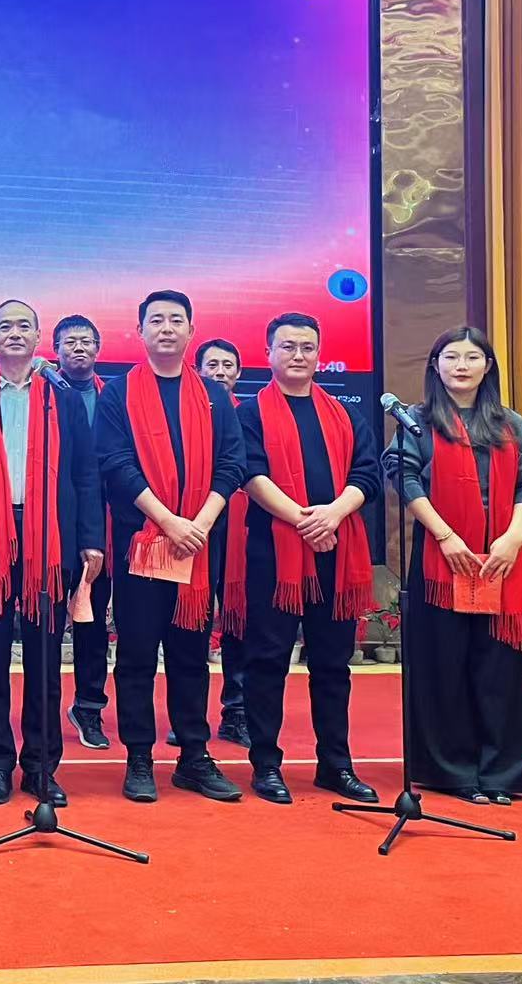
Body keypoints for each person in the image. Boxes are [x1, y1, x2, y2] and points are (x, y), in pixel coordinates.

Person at [0, 301, 103, 806]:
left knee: (44, 661)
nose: (15, 333)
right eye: (5, 326)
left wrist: (90, 539)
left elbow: (86, 474)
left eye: (24, 326)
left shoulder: (62, 399)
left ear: (38, 338)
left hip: (48, 538)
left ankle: (40, 767)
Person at [384, 326, 522, 805]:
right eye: (451, 357)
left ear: (487, 366)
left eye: (472, 357)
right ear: (435, 366)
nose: (461, 365)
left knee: (499, 669)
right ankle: (451, 772)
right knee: (443, 666)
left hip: (501, 559)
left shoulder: (511, 423)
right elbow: (402, 476)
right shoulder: (417, 420)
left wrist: (513, 538)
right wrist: (446, 536)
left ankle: (499, 774)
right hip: (441, 558)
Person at [95, 292, 245, 803]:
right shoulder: (118, 394)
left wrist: (198, 523)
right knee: (137, 653)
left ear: (190, 331)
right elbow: (115, 463)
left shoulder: (214, 396)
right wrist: (167, 520)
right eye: (155, 320)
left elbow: (232, 463)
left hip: (197, 545)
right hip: (142, 543)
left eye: (175, 320)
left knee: (191, 655)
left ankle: (193, 758)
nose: (166, 328)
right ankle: (139, 757)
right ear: (139, 331)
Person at [233, 312, 381, 806]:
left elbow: (367, 475)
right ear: (269, 353)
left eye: (307, 347)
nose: (299, 355)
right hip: (274, 556)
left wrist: (332, 515)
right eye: (288, 347)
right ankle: (266, 765)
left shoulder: (345, 415)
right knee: (268, 661)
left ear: (319, 355)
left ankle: (335, 765)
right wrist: (305, 521)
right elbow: (249, 474)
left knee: (333, 665)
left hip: (337, 551)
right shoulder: (250, 414)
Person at [54, 313, 115, 751]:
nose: (79, 347)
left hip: (104, 527)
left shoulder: (115, 398)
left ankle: (89, 707)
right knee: (45, 623)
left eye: (86, 340)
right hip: (52, 525)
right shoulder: (43, 396)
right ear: (55, 349)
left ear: (98, 349)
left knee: (91, 621)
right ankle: (40, 709)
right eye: (70, 341)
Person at [196, 337, 252, 747]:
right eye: (212, 364)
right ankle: (189, 717)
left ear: (238, 372)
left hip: (244, 532)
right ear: (198, 370)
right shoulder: (190, 410)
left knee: (240, 626)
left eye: (227, 365)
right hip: (196, 530)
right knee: (193, 626)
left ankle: (237, 712)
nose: (220, 371)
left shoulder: (249, 414)